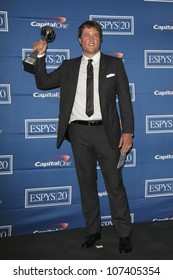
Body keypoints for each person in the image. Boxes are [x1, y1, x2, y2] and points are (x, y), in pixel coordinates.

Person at [32, 20, 134, 254]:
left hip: (107, 133)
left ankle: (124, 235)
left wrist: (128, 131)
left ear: (100, 39)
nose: (91, 39)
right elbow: (43, 83)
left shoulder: (115, 64)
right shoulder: (69, 66)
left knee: (115, 185)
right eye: (86, 35)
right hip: (78, 133)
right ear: (79, 39)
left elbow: (125, 102)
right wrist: (39, 57)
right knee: (86, 184)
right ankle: (93, 231)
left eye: (95, 35)